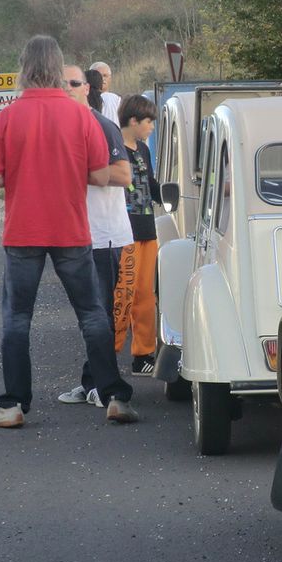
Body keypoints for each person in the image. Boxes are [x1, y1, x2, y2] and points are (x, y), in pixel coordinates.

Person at [0, 35, 137, 427]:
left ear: (24, 68)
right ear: (58, 67)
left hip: (23, 230)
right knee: (91, 314)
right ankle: (113, 395)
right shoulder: (82, 117)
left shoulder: (8, 117)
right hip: (71, 228)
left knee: (17, 318)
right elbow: (101, 173)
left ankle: (13, 405)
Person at [57, 65, 133, 406]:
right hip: (72, 234)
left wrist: (77, 169)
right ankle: (93, 381)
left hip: (103, 235)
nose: (68, 88)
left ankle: (106, 386)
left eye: (74, 83)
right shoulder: (57, 127)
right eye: (61, 84)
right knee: (89, 315)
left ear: (88, 88)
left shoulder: (103, 126)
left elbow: (123, 175)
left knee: (98, 314)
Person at [114, 94, 161, 374]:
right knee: (122, 296)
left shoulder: (143, 149)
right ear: (133, 120)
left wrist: (173, 195)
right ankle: (109, 353)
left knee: (146, 296)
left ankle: (143, 355)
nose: (151, 127)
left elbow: (151, 183)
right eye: (148, 121)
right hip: (123, 232)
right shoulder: (114, 148)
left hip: (147, 230)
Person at [90, 61, 121, 125]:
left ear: (110, 78)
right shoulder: (83, 101)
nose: (102, 79)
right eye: (98, 76)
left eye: (105, 75)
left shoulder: (118, 100)